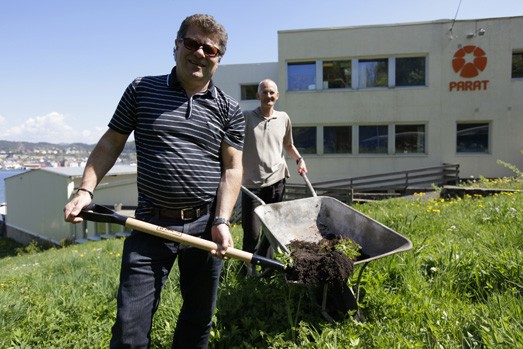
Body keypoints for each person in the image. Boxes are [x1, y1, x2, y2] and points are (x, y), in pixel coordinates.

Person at [64, 14, 244, 348]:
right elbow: (111, 143)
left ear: (218, 60)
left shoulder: (229, 109)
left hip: (205, 225)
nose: (200, 53)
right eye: (192, 44)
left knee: (197, 322)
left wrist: (222, 220)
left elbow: (233, 169)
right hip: (149, 224)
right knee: (130, 329)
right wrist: (85, 189)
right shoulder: (141, 90)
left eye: (211, 49)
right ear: (176, 45)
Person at [241, 79, 307, 257]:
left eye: (271, 92)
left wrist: (299, 160)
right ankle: (246, 271)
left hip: (277, 181)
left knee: (271, 232)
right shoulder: (246, 117)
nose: (268, 96)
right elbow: (233, 145)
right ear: (258, 95)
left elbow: (289, 145)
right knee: (252, 234)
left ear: (277, 96)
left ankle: (265, 267)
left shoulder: (283, 118)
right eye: (264, 92)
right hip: (251, 185)